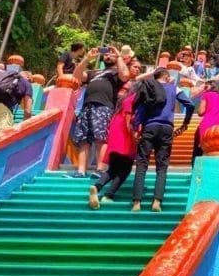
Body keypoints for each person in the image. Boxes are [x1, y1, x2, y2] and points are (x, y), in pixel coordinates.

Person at [130, 67, 194, 212]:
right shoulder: (174, 88)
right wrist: (185, 123)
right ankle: (157, 201)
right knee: (162, 166)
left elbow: (141, 109)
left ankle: (137, 203)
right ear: (166, 76)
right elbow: (190, 104)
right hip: (167, 129)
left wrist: (136, 128)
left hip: (150, 126)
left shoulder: (149, 86)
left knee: (141, 163)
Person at [70, 46, 130, 177]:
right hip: (87, 107)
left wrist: (118, 56)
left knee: (100, 138)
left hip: (104, 107)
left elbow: (125, 75)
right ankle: (81, 171)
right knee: (83, 139)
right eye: (106, 54)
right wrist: (87, 58)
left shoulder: (116, 72)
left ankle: (100, 169)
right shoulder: (94, 72)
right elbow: (76, 76)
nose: (108, 56)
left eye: (111, 54)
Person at [88, 83, 138, 208]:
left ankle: (97, 186)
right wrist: (135, 138)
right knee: (125, 169)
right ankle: (108, 195)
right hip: (125, 141)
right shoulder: (133, 100)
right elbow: (128, 123)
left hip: (114, 141)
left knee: (113, 169)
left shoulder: (120, 106)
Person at [192, 79, 219, 162]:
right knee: (218, 152)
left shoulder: (207, 95)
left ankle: (196, 171)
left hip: (207, 126)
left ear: (211, 86)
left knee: (199, 151)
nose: (204, 88)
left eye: (206, 86)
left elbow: (201, 112)